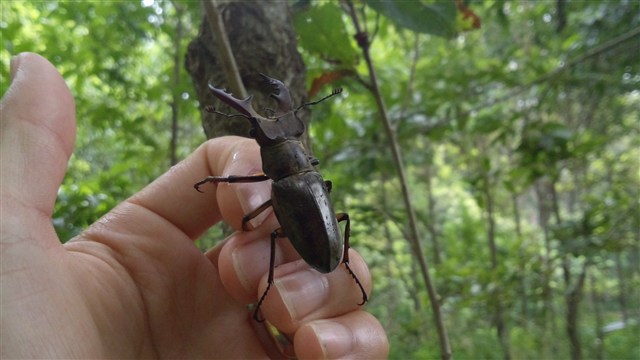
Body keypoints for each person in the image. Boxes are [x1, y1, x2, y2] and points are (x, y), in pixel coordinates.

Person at [0, 53, 389, 359]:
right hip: (324, 237)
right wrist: (221, 180)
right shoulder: (310, 177)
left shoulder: (282, 184)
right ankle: (288, 280)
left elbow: (251, 210)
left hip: (316, 239)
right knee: (269, 227)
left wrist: (220, 181)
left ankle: (283, 281)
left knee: (266, 230)